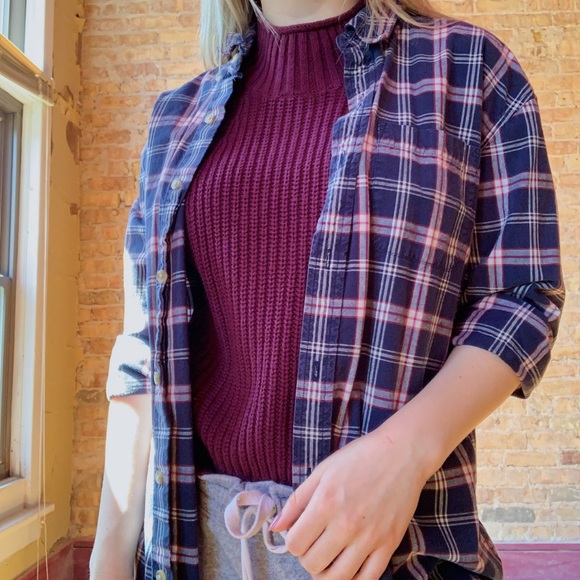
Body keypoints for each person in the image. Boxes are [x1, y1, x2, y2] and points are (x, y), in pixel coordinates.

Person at [89, 0, 565, 578]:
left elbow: (521, 298)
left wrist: (403, 454)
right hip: (195, 548)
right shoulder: (176, 117)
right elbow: (147, 349)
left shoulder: (469, 69)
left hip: (393, 554)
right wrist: (108, 558)